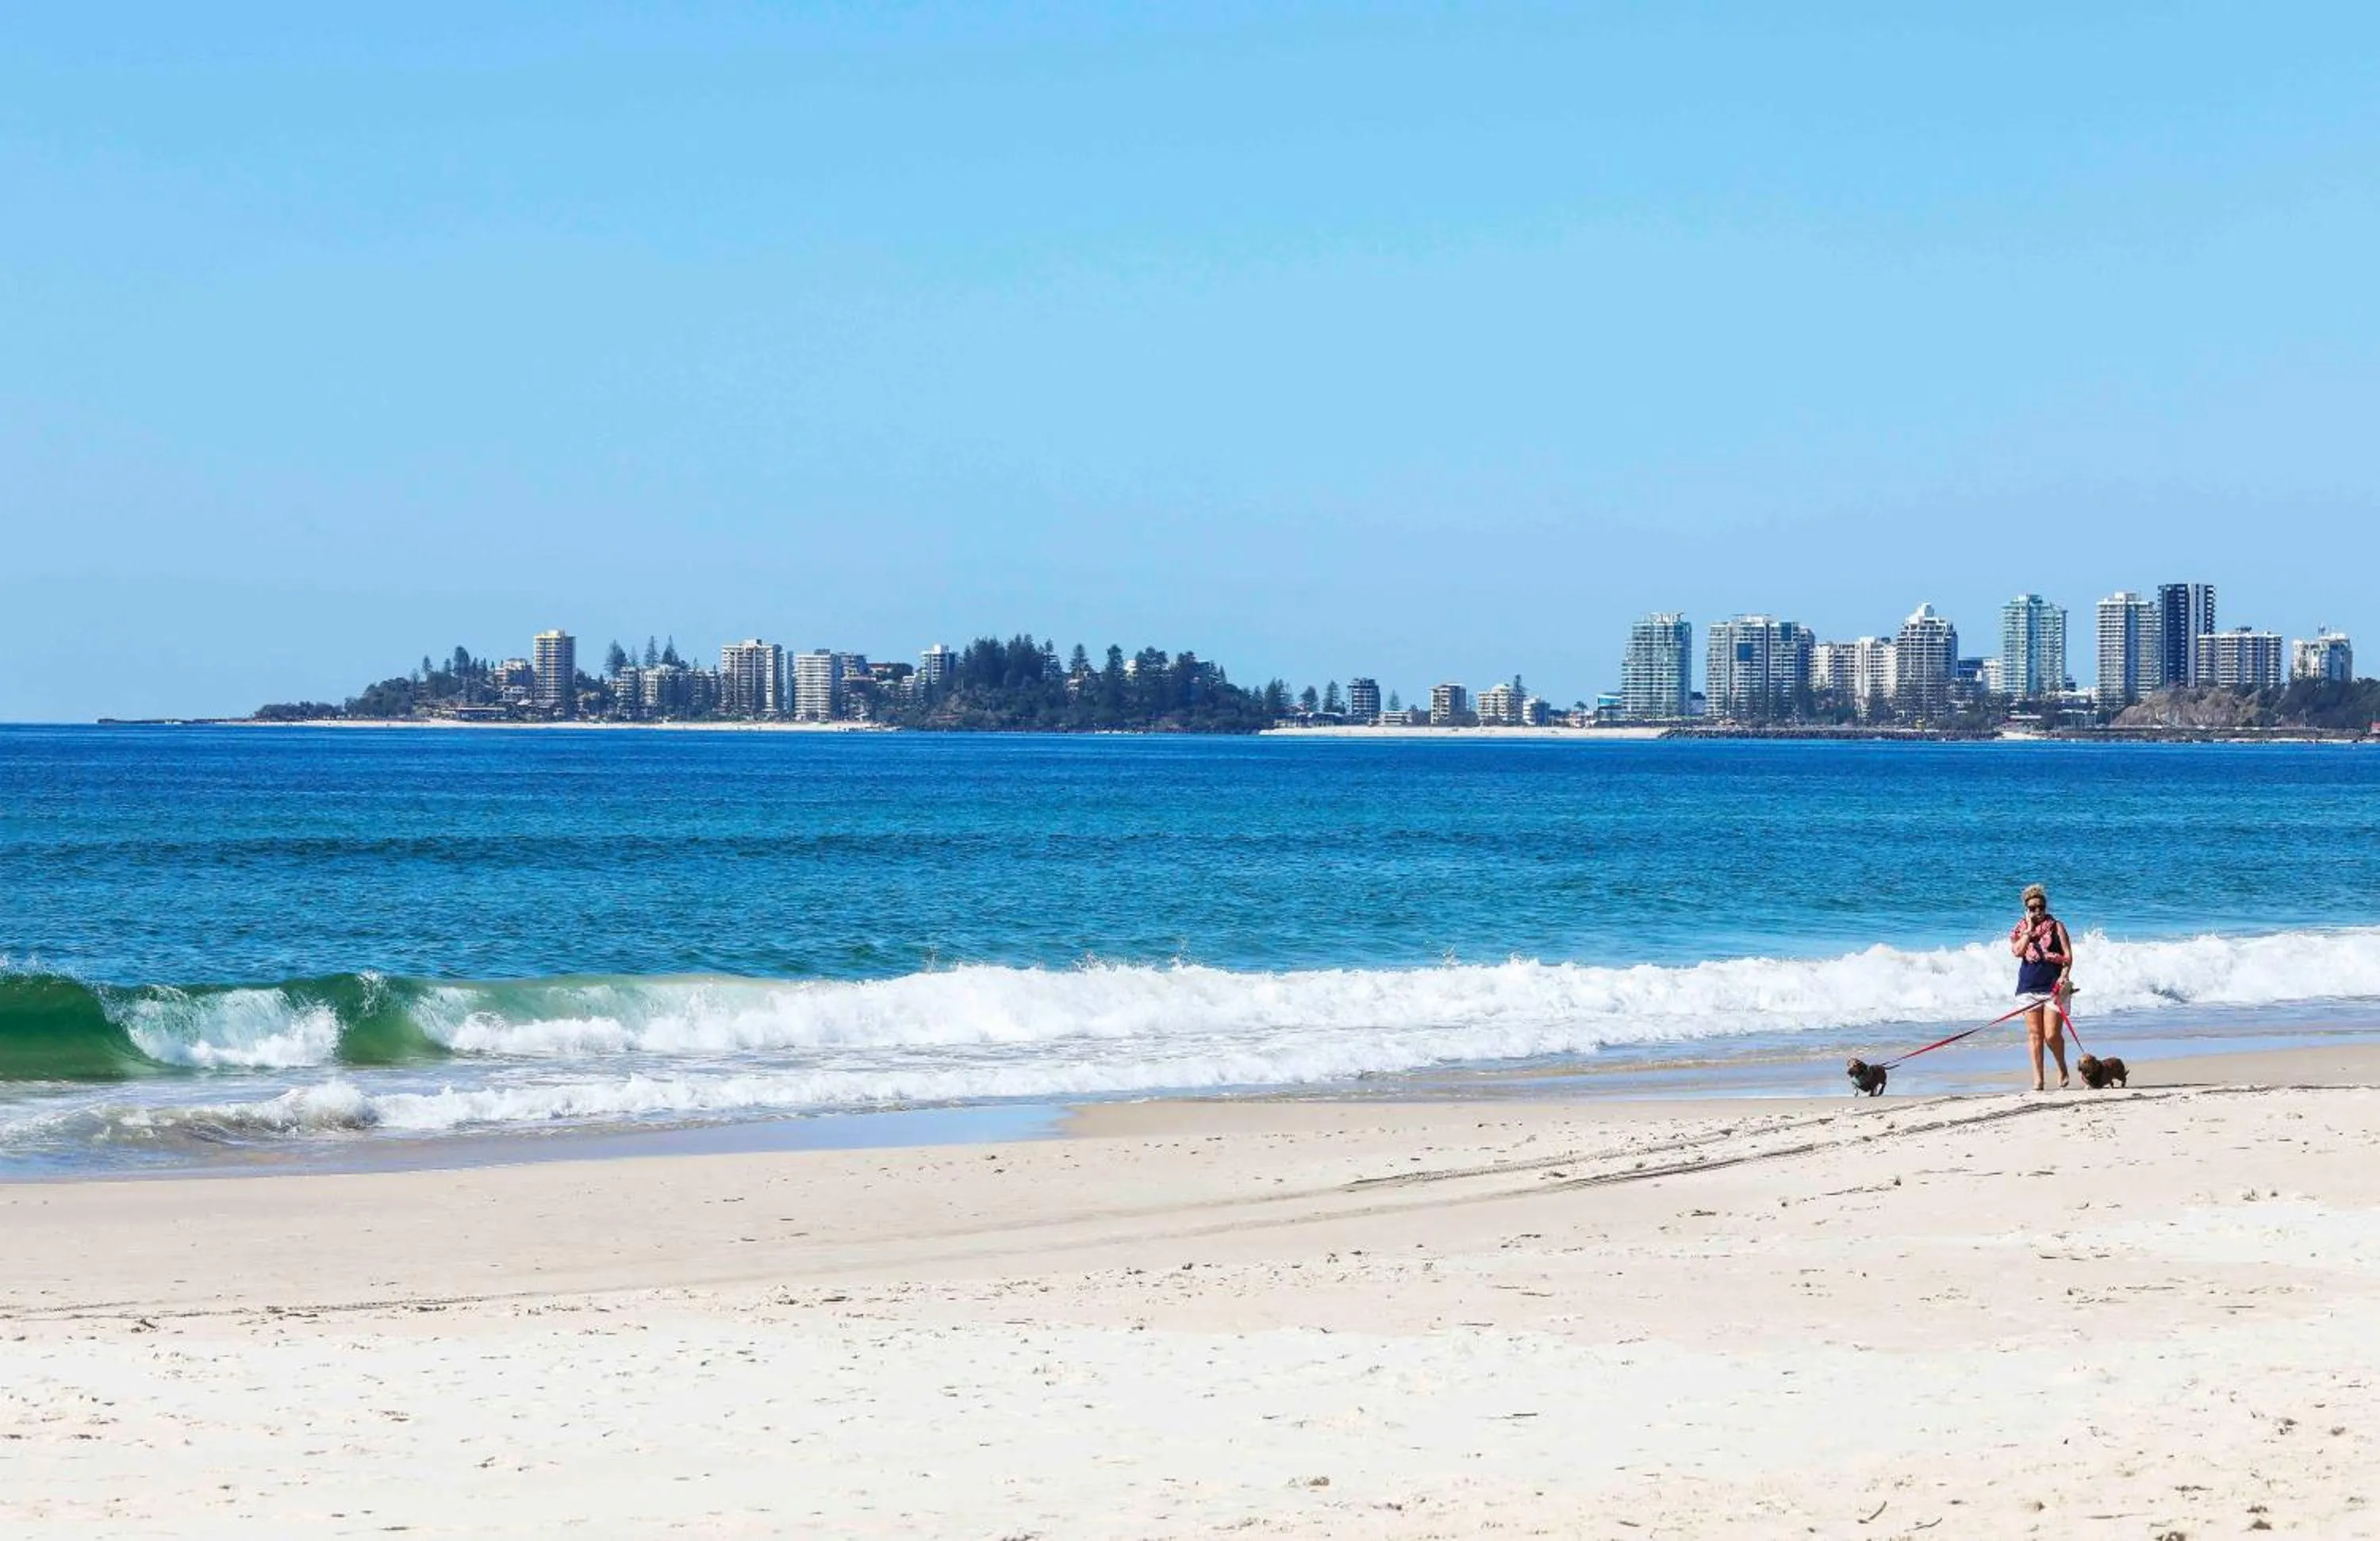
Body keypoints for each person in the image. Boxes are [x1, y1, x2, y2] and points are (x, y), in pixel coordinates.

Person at [2008, 882, 2074, 1091]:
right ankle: (2038, 1080)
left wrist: (2064, 975)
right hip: (2027, 987)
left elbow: (2068, 956)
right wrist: (2028, 931)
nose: (2038, 911)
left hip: (2053, 987)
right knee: (2035, 1035)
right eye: (2033, 908)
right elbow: (2018, 952)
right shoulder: (2020, 929)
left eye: (2041, 907)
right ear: (2026, 910)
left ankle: (2062, 1067)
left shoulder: (2057, 926)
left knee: (2052, 1035)